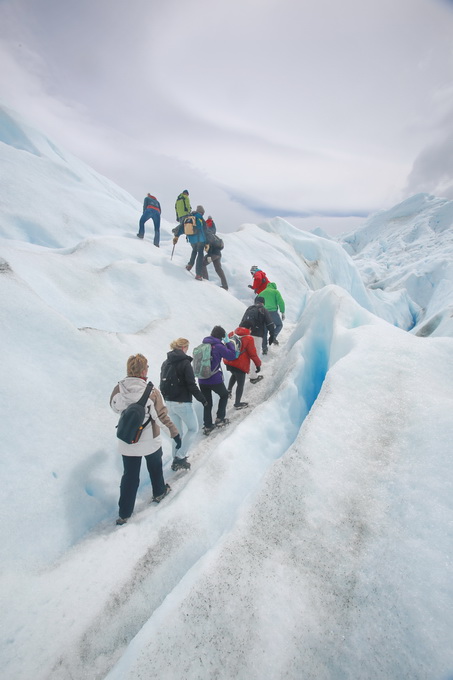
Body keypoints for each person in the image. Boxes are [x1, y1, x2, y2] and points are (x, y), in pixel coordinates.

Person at [110, 353, 180, 525]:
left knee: (130, 476)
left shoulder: (118, 389)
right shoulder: (152, 392)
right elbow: (161, 417)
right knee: (155, 467)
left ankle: (124, 513)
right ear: (143, 370)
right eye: (147, 367)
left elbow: (114, 407)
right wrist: (174, 433)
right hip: (150, 441)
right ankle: (159, 492)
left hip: (128, 440)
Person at [159, 338, 208, 471]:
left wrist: (167, 399)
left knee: (177, 432)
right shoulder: (185, 363)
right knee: (193, 429)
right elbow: (191, 385)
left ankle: (176, 458)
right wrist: (203, 400)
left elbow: (161, 384)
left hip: (169, 403)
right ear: (183, 347)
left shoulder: (165, 362)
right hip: (182, 403)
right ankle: (180, 457)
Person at [197, 325, 236, 434]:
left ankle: (208, 425)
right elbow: (232, 355)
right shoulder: (218, 346)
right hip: (214, 379)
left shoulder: (204, 344)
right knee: (224, 395)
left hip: (201, 379)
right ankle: (220, 419)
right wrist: (228, 343)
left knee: (207, 402)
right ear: (222, 336)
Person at [223, 325, 261, 409]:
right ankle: (237, 403)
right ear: (249, 328)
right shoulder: (249, 338)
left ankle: (228, 391)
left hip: (229, 362)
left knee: (234, 375)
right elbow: (253, 354)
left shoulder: (232, 333)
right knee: (240, 384)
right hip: (240, 364)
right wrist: (258, 364)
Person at [239, 296, 275, 378]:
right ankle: (253, 375)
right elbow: (269, 323)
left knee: (246, 354)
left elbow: (242, 321)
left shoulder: (249, 309)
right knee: (255, 355)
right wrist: (272, 335)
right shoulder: (263, 309)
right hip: (257, 335)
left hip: (246, 334)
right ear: (263, 303)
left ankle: (242, 373)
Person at [173, 205, 207, 280]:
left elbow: (182, 227)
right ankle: (198, 274)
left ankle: (189, 265)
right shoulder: (200, 217)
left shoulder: (188, 217)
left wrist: (176, 236)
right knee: (200, 254)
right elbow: (205, 231)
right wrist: (207, 242)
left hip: (191, 239)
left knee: (194, 250)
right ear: (201, 212)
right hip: (200, 239)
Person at [202, 216, 228, 290]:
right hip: (218, 254)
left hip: (213, 254)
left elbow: (210, 244)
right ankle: (225, 286)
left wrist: (209, 255)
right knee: (218, 269)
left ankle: (205, 280)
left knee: (202, 263)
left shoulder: (207, 234)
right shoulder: (213, 234)